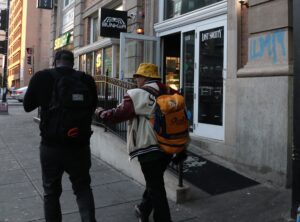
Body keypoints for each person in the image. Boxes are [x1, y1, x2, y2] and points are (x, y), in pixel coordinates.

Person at [95, 63, 186, 222]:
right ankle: (143, 209)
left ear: (145, 78)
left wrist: (101, 113)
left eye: (138, 77)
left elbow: (118, 115)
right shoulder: (171, 91)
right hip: (170, 147)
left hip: (149, 149)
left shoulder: (137, 94)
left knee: (156, 188)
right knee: (154, 181)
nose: (136, 80)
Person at [23, 50, 98, 222]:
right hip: (79, 145)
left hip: (51, 146)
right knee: (83, 188)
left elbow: (27, 106)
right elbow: (92, 107)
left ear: (56, 61)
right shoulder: (86, 80)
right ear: (73, 62)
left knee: (51, 192)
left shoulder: (42, 77)